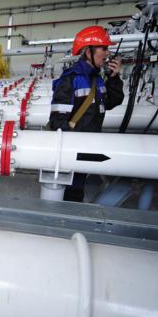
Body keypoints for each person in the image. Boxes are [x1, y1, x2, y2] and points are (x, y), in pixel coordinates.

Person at [49, 25, 124, 202]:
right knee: (71, 194)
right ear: (88, 52)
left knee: (78, 190)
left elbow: (111, 102)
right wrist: (74, 151)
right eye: (103, 48)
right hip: (73, 152)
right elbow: (57, 122)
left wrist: (114, 78)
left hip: (88, 146)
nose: (107, 53)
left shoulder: (97, 79)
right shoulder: (71, 79)